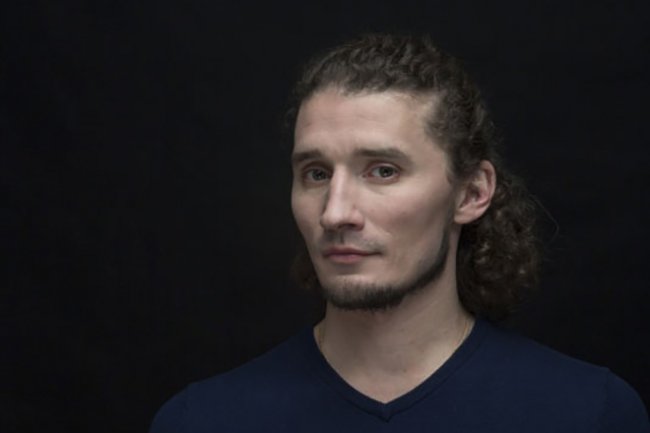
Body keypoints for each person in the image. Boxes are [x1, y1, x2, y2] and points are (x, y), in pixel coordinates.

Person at [150, 33, 648, 432]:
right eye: (316, 174)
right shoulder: (203, 421)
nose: (335, 213)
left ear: (471, 193)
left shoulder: (588, 413)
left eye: (383, 171)